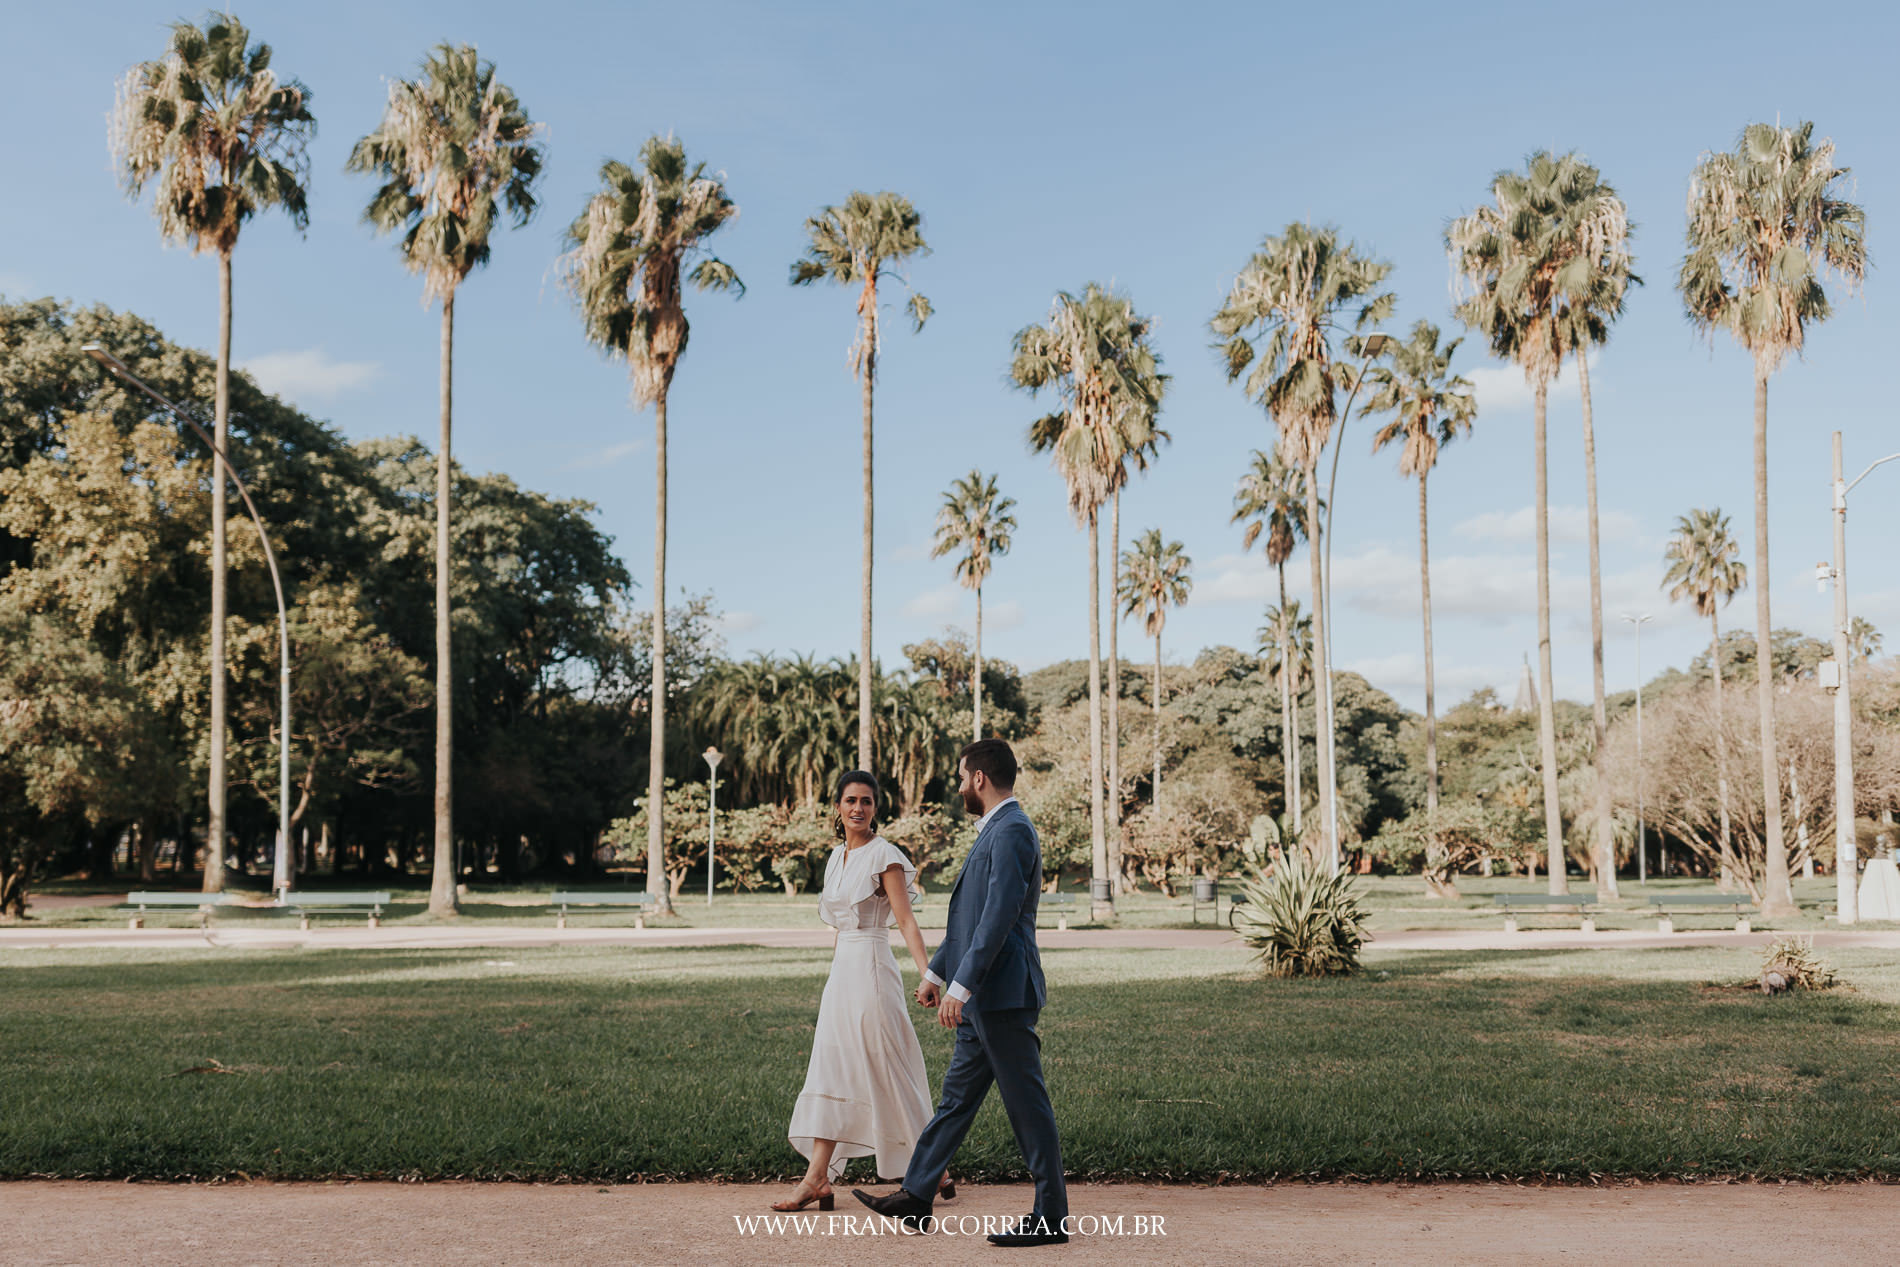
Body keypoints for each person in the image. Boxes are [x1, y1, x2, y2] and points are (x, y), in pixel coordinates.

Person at [854, 739, 1069, 1248]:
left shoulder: (1013, 830)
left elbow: (998, 920)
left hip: (1001, 995)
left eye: (959, 777)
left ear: (978, 778)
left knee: (1026, 1104)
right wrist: (936, 975)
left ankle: (1051, 1215)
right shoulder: (994, 830)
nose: (956, 786)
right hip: (986, 996)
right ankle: (916, 1194)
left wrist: (962, 986)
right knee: (955, 1102)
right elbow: (967, 920)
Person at [772, 771, 955, 1212]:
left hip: (874, 969)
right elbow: (839, 927)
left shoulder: (885, 855)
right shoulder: (836, 857)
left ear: (876, 807)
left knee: (889, 1065)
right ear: (837, 806)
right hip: (842, 975)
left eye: (867, 801)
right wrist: (835, 976)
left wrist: (928, 975)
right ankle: (818, 1178)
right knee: (832, 1067)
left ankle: (937, 1167)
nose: (858, 808)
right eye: (851, 800)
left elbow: (906, 920)